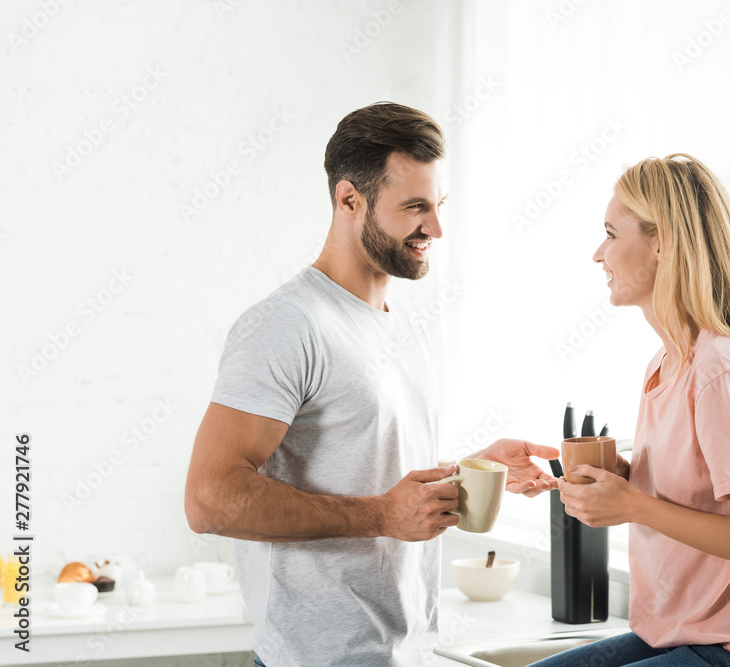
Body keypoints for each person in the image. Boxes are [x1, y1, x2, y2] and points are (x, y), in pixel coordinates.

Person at [183, 102, 559, 667]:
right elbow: (208, 499)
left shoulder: (398, 324)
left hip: (404, 653)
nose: (435, 228)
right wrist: (381, 517)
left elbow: (375, 472)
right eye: (415, 208)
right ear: (349, 199)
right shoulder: (288, 325)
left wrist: (477, 470)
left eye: (437, 206)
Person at [534, 155, 730, 667]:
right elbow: (702, 496)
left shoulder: (719, 371)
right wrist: (621, 483)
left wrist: (633, 506)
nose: (598, 254)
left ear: (662, 243)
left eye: (610, 233)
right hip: (676, 633)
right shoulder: (667, 364)